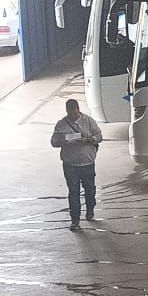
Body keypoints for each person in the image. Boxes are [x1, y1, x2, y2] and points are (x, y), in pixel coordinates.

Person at [51, 98, 103, 228]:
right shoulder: (61, 124)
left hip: (87, 162)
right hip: (70, 164)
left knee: (89, 189)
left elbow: (99, 136)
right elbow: (53, 142)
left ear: (78, 109)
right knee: (73, 191)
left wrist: (89, 139)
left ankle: (90, 208)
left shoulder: (88, 121)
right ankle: (75, 220)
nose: (72, 115)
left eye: (74, 112)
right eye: (70, 113)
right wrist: (63, 141)